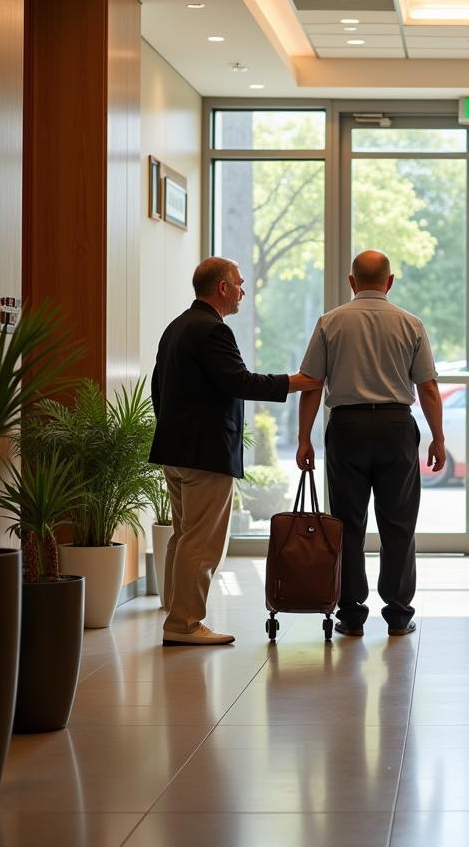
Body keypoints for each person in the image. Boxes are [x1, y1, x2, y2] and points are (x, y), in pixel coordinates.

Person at [149, 257, 321, 646]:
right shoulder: (212, 331)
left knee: (183, 536)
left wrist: (174, 432)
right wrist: (297, 382)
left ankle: (177, 617)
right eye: (239, 284)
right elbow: (240, 381)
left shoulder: (176, 327)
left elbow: (158, 388)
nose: (244, 290)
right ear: (223, 288)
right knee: (201, 542)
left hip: (175, 451)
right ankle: (185, 624)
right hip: (204, 454)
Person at [296, 250, 446, 638]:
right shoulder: (410, 324)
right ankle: (397, 614)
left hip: (347, 428)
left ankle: (351, 614)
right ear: (390, 282)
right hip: (397, 428)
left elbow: (310, 384)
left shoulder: (330, 322)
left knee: (346, 524)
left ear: (351, 282)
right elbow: (428, 386)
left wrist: (303, 439)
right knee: (398, 523)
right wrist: (438, 438)